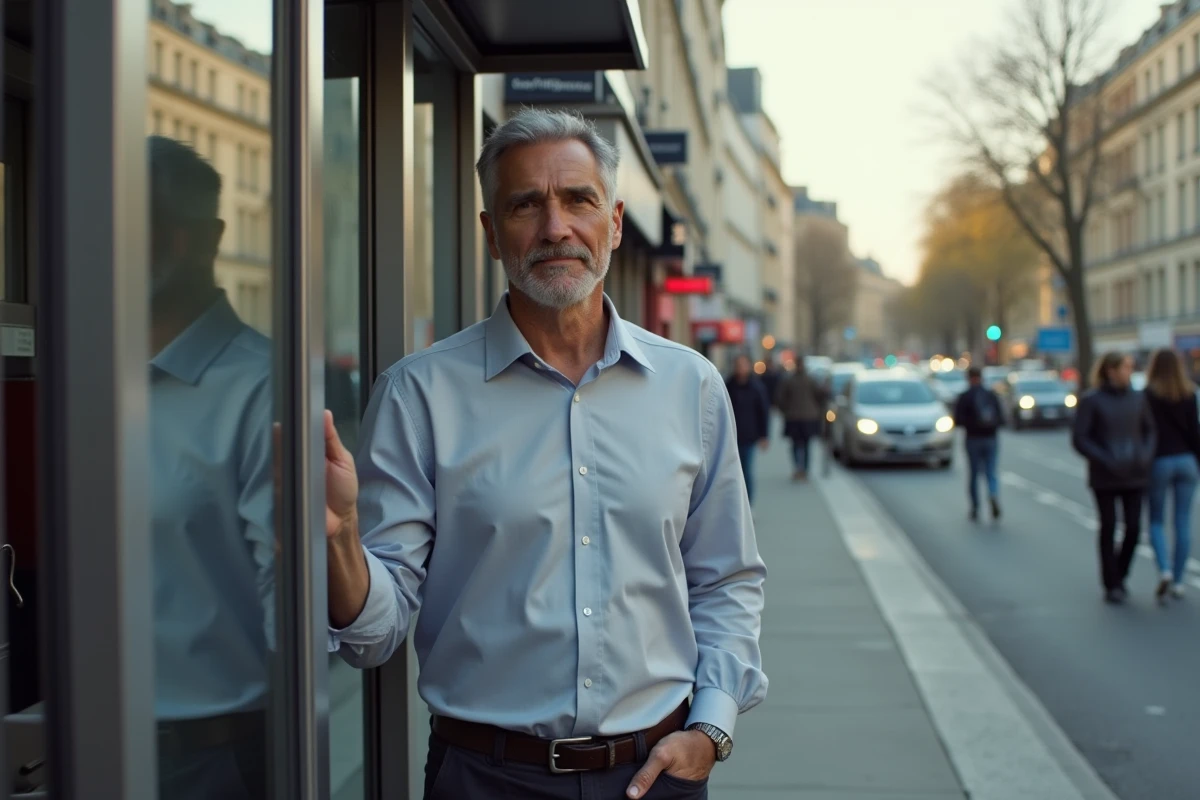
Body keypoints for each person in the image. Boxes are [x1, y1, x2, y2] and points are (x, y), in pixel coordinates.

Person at [323, 108, 766, 800]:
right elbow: (373, 637)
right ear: (490, 232)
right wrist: (340, 539)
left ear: (614, 223)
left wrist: (711, 729)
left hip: (657, 773)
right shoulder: (419, 395)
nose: (555, 227)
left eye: (578, 200)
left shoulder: (692, 387)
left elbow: (726, 579)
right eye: (525, 204)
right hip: (484, 778)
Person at [147, 136, 272, 797]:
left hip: (214, 762)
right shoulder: (80, 377)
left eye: (158, 224)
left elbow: (300, 618)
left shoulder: (264, 388)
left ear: (208, 239)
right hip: (75, 742)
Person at [1072, 352, 1157, 604]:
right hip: (1105, 476)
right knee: (1108, 526)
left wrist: (1144, 456)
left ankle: (1120, 573)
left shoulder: (1138, 398)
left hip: (1135, 473)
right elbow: (1080, 437)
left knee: (1133, 528)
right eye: (1125, 367)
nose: (1129, 371)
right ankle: (1111, 583)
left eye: (1131, 367)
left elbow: (1149, 430)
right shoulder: (1092, 400)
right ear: (1111, 371)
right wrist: (1104, 459)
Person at [1142, 348, 1200, 603]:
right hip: (1186, 461)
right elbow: (1195, 432)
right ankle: (1178, 581)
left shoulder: (1147, 395)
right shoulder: (1189, 393)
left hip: (1160, 461)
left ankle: (1164, 569)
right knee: (1182, 521)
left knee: (1156, 520)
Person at [953, 366, 1003, 521]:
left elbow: (958, 420)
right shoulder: (990, 395)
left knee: (973, 474)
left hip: (973, 439)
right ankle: (993, 494)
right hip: (990, 438)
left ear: (968, 378)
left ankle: (975, 507)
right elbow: (1001, 418)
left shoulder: (965, 396)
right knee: (991, 472)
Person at [726, 354, 771, 504]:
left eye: (743, 365)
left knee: (746, 471)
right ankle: (733, 504)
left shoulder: (756, 387)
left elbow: (763, 412)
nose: (740, 368)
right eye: (737, 365)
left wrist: (764, 435)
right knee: (730, 473)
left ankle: (748, 504)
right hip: (730, 437)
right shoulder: (728, 385)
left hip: (749, 436)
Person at [775, 359, 824, 481]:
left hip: (796, 417)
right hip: (805, 417)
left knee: (797, 445)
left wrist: (786, 410)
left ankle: (799, 469)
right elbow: (820, 396)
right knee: (805, 445)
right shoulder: (809, 380)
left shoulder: (791, 380)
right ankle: (803, 470)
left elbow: (780, 398)